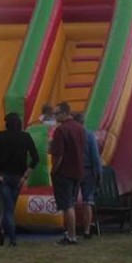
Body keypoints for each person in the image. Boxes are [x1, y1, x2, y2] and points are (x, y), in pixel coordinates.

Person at [0, 112, 39, 247]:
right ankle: (3, 234)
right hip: (19, 178)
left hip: (4, 176)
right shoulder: (25, 137)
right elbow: (35, 158)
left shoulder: (1, 136)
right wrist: (25, 176)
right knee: (10, 207)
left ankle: (10, 238)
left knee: (8, 208)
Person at [50, 102, 86, 245]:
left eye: (57, 113)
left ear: (65, 113)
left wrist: (54, 170)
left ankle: (71, 236)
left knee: (67, 205)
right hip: (78, 171)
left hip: (64, 172)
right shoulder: (80, 128)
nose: (55, 116)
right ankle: (70, 234)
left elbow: (58, 155)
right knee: (71, 203)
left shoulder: (61, 130)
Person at [73, 113, 102, 239]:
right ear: (83, 122)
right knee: (88, 201)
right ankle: (87, 230)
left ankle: (71, 229)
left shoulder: (71, 134)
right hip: (88, 170)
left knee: (71, 202)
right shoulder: (90, 135)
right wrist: (98, 172)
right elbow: (95, 156)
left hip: (74, 170)